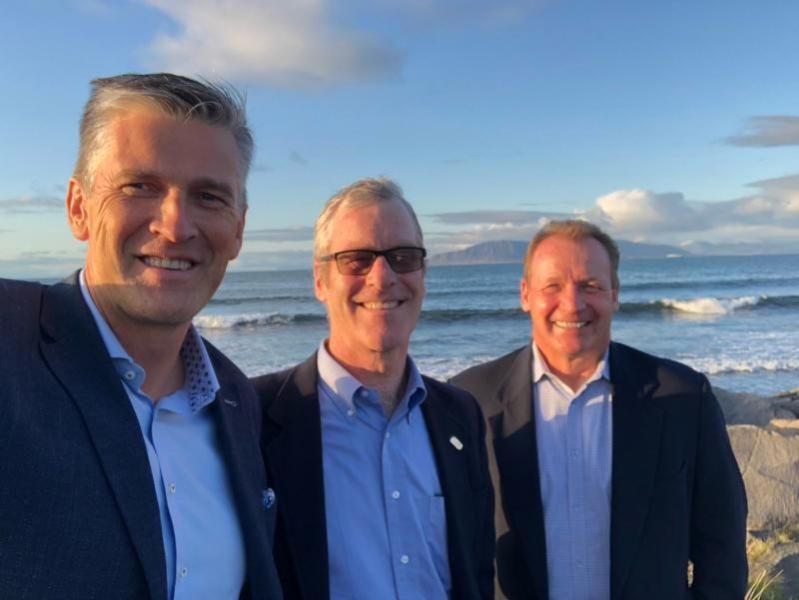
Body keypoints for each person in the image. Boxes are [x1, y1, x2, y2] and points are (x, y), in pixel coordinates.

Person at [0, 73, 282, 600]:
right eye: (139, 186)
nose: (175, 226)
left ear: (239, 229)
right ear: (78, 207)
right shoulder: (9, 342)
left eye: (209, 196)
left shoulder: (238, 399)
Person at [451, 220, 747, 600]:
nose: (572, 303)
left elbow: (721, 544)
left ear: (615, 294)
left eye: (590, 286)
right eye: (552, 286)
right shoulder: (468, 400)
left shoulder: (685, 397)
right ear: (526, 294)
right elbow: (445, 545)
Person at [253, 178, 494, 600]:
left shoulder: (461, 415)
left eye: (403, 257)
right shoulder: (255, 418)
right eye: (356, 259)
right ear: (320, 280)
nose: (382, 278)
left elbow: (474, 567)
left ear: (423, 273)